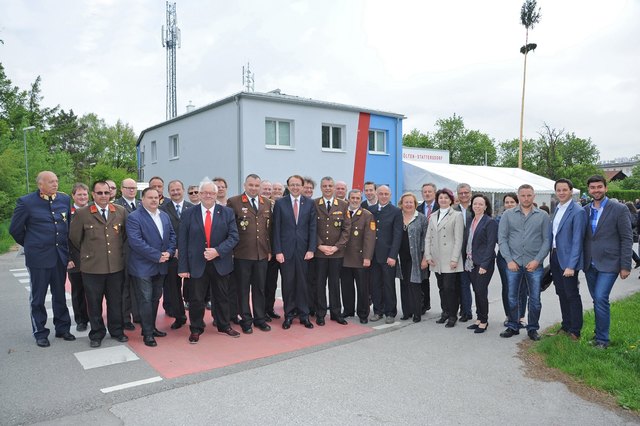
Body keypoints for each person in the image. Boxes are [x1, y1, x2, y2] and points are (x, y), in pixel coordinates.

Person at [10, 171, 75, 347]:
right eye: (51, 182)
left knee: (60, 294)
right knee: (38, 297)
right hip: (38, 258)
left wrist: (67, 253)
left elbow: (66, 226)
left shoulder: (63, 199)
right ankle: (40, 331)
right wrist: (31, 245)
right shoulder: (26, 202)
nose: (55, 184)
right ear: (40, 184)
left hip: (59, 256)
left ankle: (62, 328)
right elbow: (15, 229)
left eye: (56, 180)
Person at [178, 180, 240, 343]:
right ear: (199, 194)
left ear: (216, 194)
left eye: (211, 193)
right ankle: (196, 328)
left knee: (222, 297)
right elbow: (182, 242)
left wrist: (218, 251)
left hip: (220, 262)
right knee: (196, 299)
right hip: (196, 264)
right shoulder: (188, 214)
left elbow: (234, 237)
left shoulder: (226, 212)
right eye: (204, 192)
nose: (208, 195)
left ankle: (224, 325)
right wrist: (183, 267)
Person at [69, 181, 129, 348]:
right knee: (94, 303)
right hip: (92, 268)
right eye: (99, 193)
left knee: (115, 301)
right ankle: (96, 333)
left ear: (110, 194)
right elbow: (74, 238)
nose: (103, 196)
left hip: (115, 267)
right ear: (93, 195)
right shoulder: (83, 213)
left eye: (106, 192)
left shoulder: (120, 211)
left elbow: (124, 236)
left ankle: (117, 330)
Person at [583, 175, 633, 349]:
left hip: (610, 263)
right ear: (588, 190)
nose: (596, 190)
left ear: (606, 188)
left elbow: (627, 238)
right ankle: (598, 334)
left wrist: (625, 265)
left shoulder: (619, 209)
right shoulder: (585, 209)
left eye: (599, 187)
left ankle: (603, 340)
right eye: (592, 188)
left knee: (600, 297)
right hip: (589, 263)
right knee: (597, 300)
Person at [499, 184, 550, 341]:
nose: (526, 198)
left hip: (534, 264)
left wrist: (537, 260)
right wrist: (509, 260)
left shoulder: (542, 216)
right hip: (513, 263)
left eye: (529, 195)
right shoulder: (507, 215)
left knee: (535, 299)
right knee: (512, 297)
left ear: (534, 196)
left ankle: (533, 328)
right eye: (523, 195)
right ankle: (513, 325)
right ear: (518, 196)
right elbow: (502, 239)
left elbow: (547, 240)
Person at [126, 187, 176, 347]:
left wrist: (168, 252)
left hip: (161, 264)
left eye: (157, 197)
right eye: (150, 197)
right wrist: (157, 256)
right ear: (143, 200)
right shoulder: (134, 217)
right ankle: (147, 334)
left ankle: (152, 328)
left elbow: (172, 236)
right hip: (143, 266)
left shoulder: (164, 216)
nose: (154, 200)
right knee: (145, 299)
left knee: (155, 298)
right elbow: (136, 242)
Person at [227, 174, 273, 334]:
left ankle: (260, 319)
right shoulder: (234, 202)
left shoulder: (266, 202)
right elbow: (230, 230)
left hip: (262, 254)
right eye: (251, 185)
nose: (253, 188)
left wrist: (269, 250)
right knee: (243, 289)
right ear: (245, 185)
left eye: (256, 185)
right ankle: (246, 320)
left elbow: (269, 229)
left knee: (260, 288)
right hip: (242, 254)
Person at [272, 174, 317, 330]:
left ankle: (304, 315)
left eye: (298, 184)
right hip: (286, 251)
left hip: (304, 251)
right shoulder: (280, 204)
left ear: (303, 186)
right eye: (292, 184)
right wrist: (278, 251)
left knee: (303, 284)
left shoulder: (310, 204)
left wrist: (311, 249)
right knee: (288, 284)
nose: (295, 187)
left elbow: (313, 228)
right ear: (288, 186)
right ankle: (289, 315)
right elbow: (275, 229)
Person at [549, 178, 587, 340]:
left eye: (565, 190)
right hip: (556, 256)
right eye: (559, 190)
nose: (562, 193)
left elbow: (578, 240)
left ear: (571, 191)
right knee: (561, 293)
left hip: (569, 261)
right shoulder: (557, 209)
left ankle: (575, 331)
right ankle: (566, 325)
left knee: (571, 294)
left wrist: (571, 265)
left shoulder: (578, 211)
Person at [423, 188, 464, 328]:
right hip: (436, 258)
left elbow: (459, 239)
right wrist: (428, 255)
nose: (443, 200)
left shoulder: (457, 215)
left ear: (451, 200)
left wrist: (454, 259)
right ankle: (445, 312)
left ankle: (453, 315)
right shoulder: (433, 215)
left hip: (450, 258)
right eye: (441, 198)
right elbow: (428, 237)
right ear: (437, 200)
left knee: (450, 288)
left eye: (446, 198)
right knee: (441, 287)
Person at [314, 176, 351, 326]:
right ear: (321, 188)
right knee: (320, 284)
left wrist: (337, 247)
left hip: (337, 253)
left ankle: (336, 313)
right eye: (325, 186)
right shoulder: (314, 204)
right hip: (320, 252)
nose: (328, 188)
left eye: (330, 186)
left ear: (334, 188)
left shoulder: (343, 205)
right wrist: (319, 245)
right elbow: (311, 228)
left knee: (335, 284)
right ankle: (321, 314)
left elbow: (347, 229)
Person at [160, 180, 194, 329]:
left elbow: (196, 233)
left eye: (178, 189)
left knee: (192, 288)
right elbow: (161, 233)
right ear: (169, 192)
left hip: (190, 256)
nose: (175, 192)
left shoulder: (193, 208)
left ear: (183, 190)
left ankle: (195, 317)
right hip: (172, 255)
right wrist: (173, 250)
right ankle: (179, 317)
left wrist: (186, 250)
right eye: (172, 190)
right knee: (173, 289)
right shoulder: (162, 209)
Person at [367, 185, 402, 324]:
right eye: (381, 193)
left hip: (388, 256)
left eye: (386, 194)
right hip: (373, 255)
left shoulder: (396, 211)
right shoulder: (371, 210)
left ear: (390, 195)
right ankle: (377, 311)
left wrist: (393, 255)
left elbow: (397, 235)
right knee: (375, 284)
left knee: (388, 285)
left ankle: (390, 312)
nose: (383, 196)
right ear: (376, 194)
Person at [340, 189, 375, 324]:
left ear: (361, 200)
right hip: (344, 257)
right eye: (353, 198)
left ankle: (363, 313)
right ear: (348, 199)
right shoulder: (343, 213)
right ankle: (348, 310)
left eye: (358, 198)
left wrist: (367, 257)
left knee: (362, 288)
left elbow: (369, 238)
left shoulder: (367, 215)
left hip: (360, 258)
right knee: (346, 286)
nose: (355, 200)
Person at [463, 194, 497, 334]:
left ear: (486, 206)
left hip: (484, 264)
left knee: (481, 291)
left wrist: (484, 265)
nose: (477, 206)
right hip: (471, 262)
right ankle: (478, 318)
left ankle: (484, 321)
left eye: (480, 204)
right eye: (475, 203)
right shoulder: (471, 220)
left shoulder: (490, 222)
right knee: (476, 291)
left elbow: (490, 245)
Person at [496, 193, 528, 327]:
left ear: (517, 203)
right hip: (505, 258)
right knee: (508, 287)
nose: (509, 204)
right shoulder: (498, 219)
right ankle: (509, 315)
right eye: (507, 202)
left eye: (512, 202)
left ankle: (521, 316)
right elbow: (500, 239)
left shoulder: (525, 217)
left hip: (522, 257)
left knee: (522, 287)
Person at [115, 177, 140, 331]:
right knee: (124, 288)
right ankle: (125, 318)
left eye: (134, 188)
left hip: (140, 254)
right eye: (128, 188)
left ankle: (138, 315)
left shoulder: (140, 204)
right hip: (124, 252)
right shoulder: (116, 206)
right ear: (122, 189)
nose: (132, 190)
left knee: (138, 287)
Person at [397, 193, 428, 322]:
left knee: (414, 284)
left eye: (411, 202)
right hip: (400, 257)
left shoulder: (421, 218)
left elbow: (427, 239)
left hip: (416, 256)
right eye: (406, 202)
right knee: (404, 283)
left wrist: (425, 257)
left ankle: (417, 313)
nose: (408, 204)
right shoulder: (397, 217)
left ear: (415, 204)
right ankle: (406, 312)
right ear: (401, 204)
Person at [68, 183, 90, 331]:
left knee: (94, 292)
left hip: (94, 260)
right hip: (75, 260)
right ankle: (81, 320)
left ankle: (94, 317)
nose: (82, 197)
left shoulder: (94, 211)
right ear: (73, 196)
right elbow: (64, 238)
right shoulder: (67, 214)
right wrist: (68, 258)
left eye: (85, 194)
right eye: (79, 194)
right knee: (78, 291)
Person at [264, 181, 284, 320]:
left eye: (279, 189)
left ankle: (270, 309)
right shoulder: (265, 206)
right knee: (265, 283)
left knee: (275, 283)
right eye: (274, 189)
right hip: (268, 251)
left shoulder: (284, 205)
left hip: (283, 251)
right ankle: (263, 310)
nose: (276, 191)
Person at [417, 182, 438, 314]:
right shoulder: (417, 208)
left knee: (444, 282)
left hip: (439, 248)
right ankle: (424, 304)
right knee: (423, 278)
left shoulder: (441, 207)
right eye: (425, 192)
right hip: (422, 248)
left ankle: (450, 308)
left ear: (434, 193)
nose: (427, 194)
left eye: (430, 191)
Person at [454, 183, 473, 322]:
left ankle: (481, 313)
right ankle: (466, 311)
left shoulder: (477, 208)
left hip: (475, 253)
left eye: (466, 192)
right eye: (461, 193)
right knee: (462, 283)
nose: (464, 195)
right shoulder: (452, 210)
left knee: (478, 286)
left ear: (470, 193)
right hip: (458, 253)